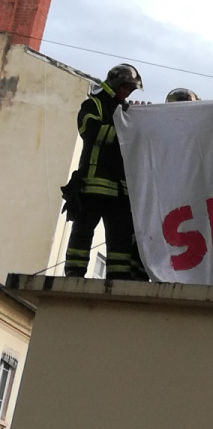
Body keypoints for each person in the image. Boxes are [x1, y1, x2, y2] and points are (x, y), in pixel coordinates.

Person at [62, 64, 143, 279]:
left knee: (120, 239)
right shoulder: (94, 104)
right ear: (116, 83)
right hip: (92, 184)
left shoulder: (127, 111)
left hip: (120, 190)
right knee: (83, 231)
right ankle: (74, 274)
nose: (127, 92)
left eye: (130, 89)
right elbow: (89, 132)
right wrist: (126, 131)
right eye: (125, 87)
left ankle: (118, 280)